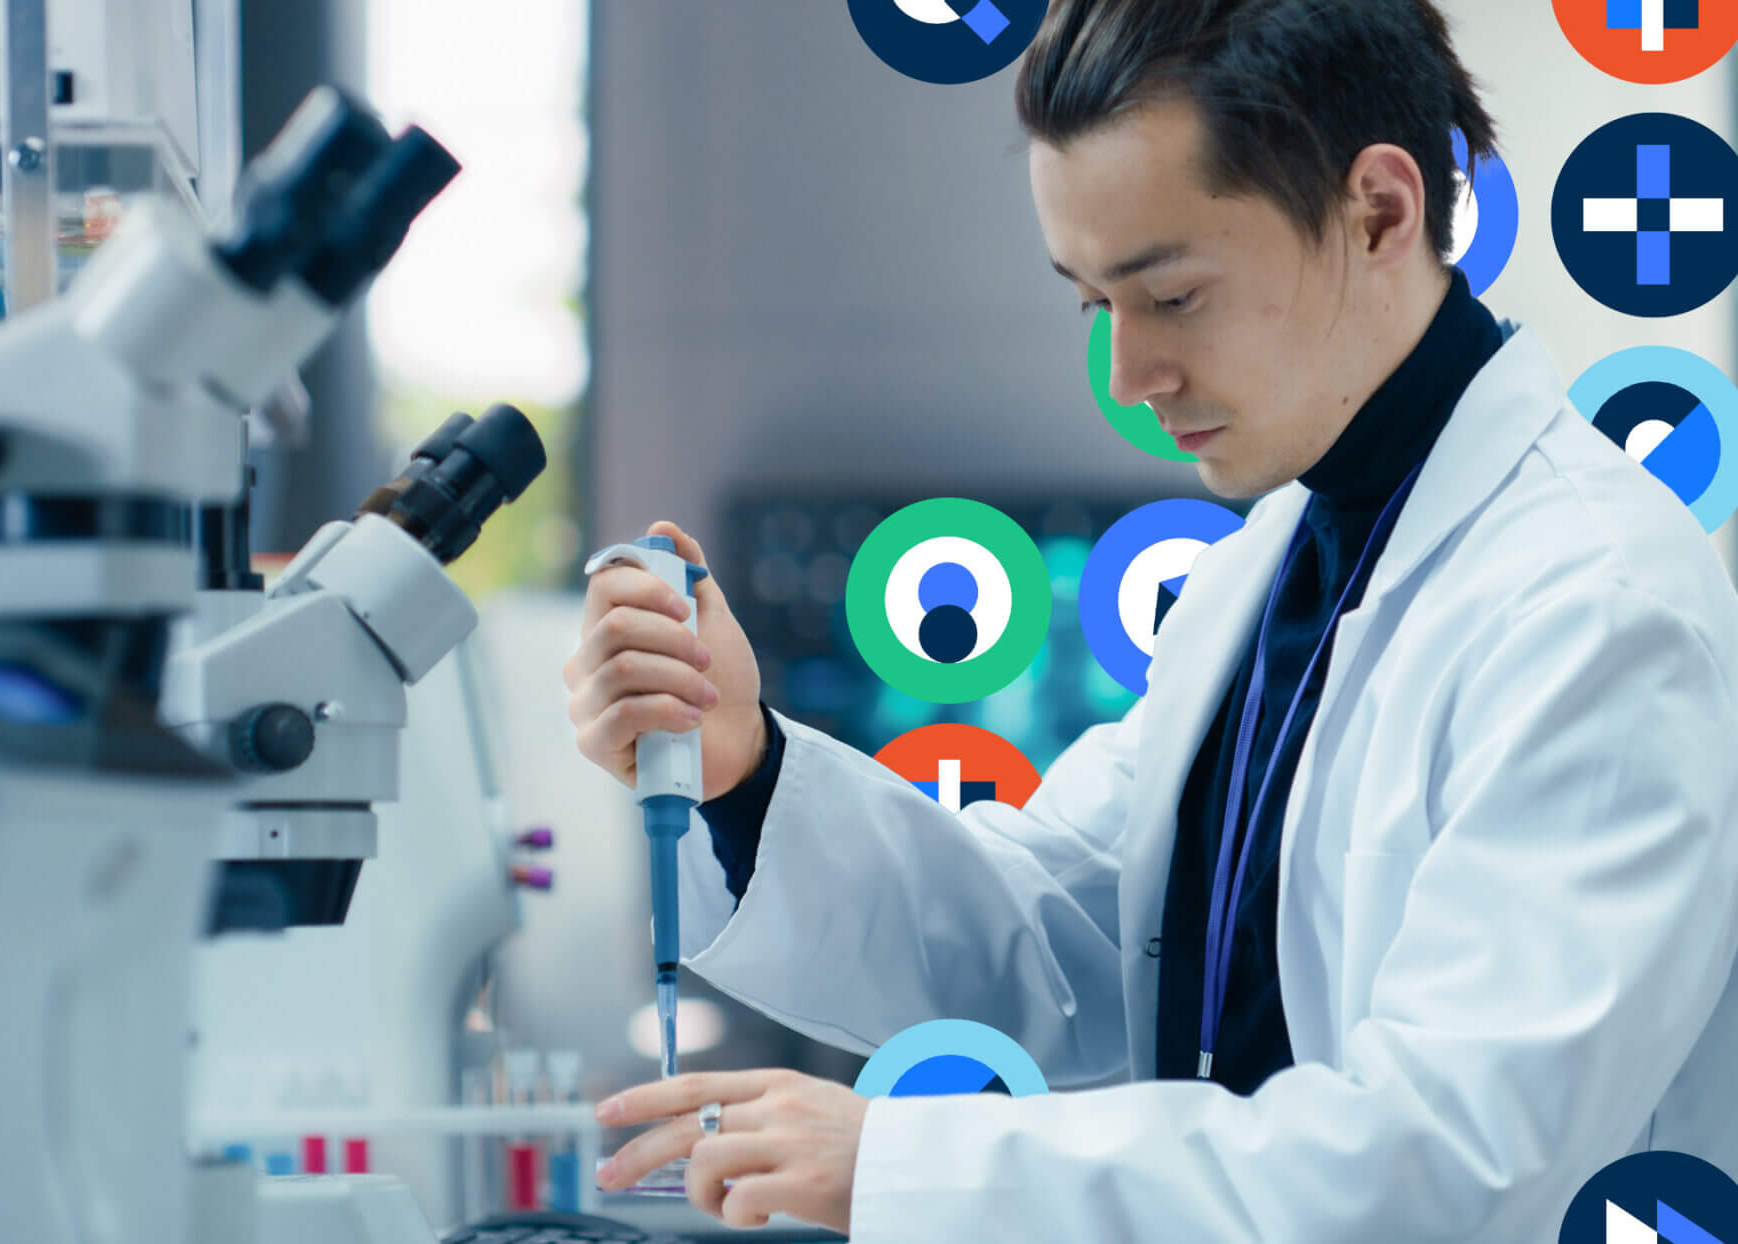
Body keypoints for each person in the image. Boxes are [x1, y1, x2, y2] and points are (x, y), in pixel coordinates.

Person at [564, 0, 1738, 1237]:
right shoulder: (1275, 564)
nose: (1128, 377)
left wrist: (912, 1163)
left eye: (1170, 296)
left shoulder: (1594, 610)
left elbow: (1448, 1163)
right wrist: (745, 763)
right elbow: (1057, 943)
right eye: (1091, 304)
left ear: (1381, 211)